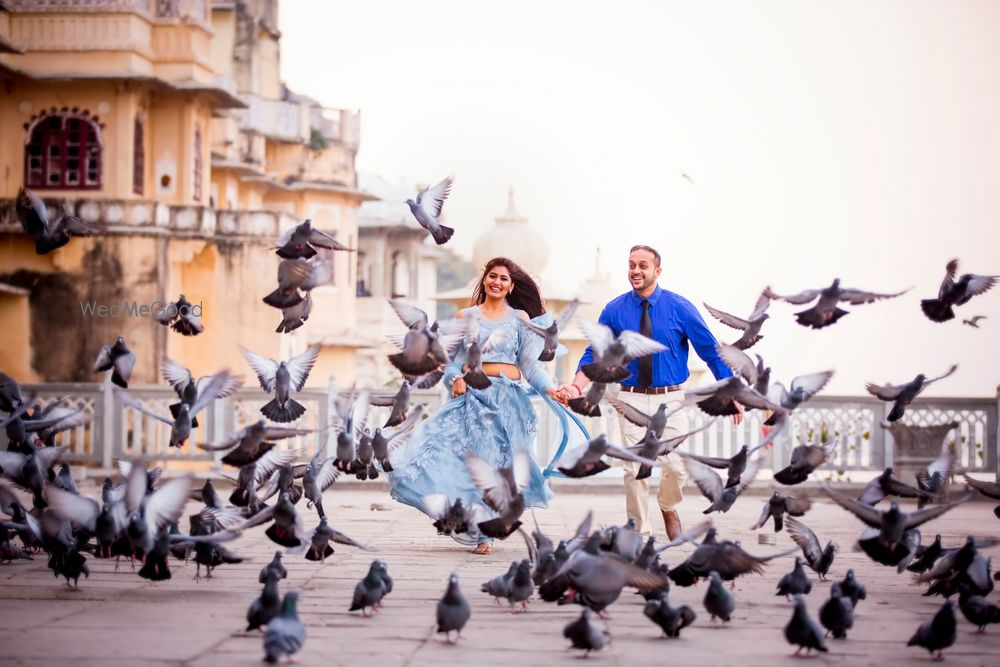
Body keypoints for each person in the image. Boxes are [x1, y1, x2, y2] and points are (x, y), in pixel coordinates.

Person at [555, 244, 740, 540]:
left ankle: (668, 505)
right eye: (631, 265)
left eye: (643, 265)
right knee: (633, 470)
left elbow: (710, 352)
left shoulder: (680, 307)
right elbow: (595, 353)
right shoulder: (614, 310)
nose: (636, 271)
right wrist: (576, 385)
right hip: (630, 397)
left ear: (657, 271)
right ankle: (639, 535)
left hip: (671, 400)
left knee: (677, 467)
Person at [388, 257, 570, 555]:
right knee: (479, 464)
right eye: (492, 276)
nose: (497, 282)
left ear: (511, 286)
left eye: (504, 279)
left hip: (512, 403)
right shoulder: (465, 316)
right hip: (477, 399)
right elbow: (450, 365)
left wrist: (552, 389)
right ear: (484, 279)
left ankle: (492, 524)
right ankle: (482, 533)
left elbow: (531, 367)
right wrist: (455, 381)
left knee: (505, 469)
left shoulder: (520, 318)